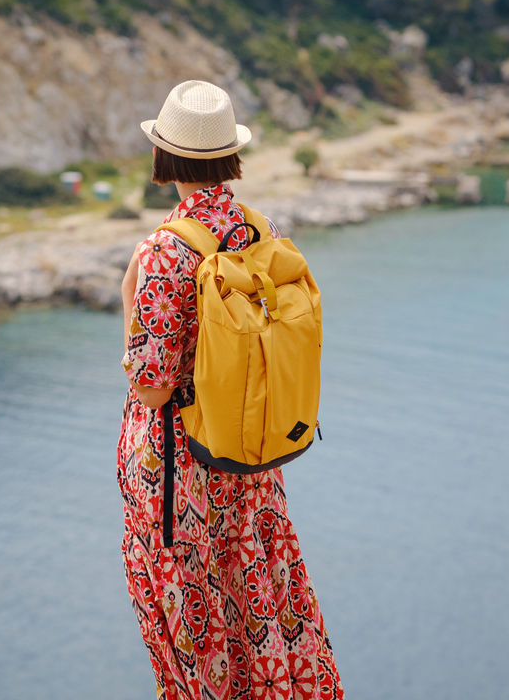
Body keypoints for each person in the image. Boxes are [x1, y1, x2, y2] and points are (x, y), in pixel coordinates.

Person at [116, 80, 343, 699]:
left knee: (198, 604)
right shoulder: (260, 228)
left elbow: (153, 386)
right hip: (246, 450)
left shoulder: (164, 252)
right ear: (229, 157)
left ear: (165, 159)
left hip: (181, 467)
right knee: (257, 587)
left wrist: (128, 297)